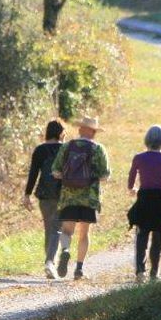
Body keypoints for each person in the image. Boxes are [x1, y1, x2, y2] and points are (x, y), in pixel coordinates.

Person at [51, 116, 110, 280]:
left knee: (67, 231)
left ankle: (65, 251)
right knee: (84, 234)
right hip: (89, 198)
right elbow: (105, 175)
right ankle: (78, 269)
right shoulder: (98, 149)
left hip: (68, 197)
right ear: (93, 132)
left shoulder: (68, 146)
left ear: (80, 129)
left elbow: (55, 171)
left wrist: (68, 177)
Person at [127, 125, 161, 283]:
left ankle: (140, 271)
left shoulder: (139, 158)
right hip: (160, 199)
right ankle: (154, 273)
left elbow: (131, 179)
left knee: (142, 235)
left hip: (144, 198)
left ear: (147, 140)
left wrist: (132, 188)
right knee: (158, 236)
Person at [23, 120, 65, 279]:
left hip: (44, 194)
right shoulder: (65, 149)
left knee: (49, 228)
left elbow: (33, 173)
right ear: (61, 133)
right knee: (57, 228)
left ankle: (50, 262)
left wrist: (27, 194)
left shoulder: (40, 150)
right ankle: (50, 262)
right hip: (61, 194)